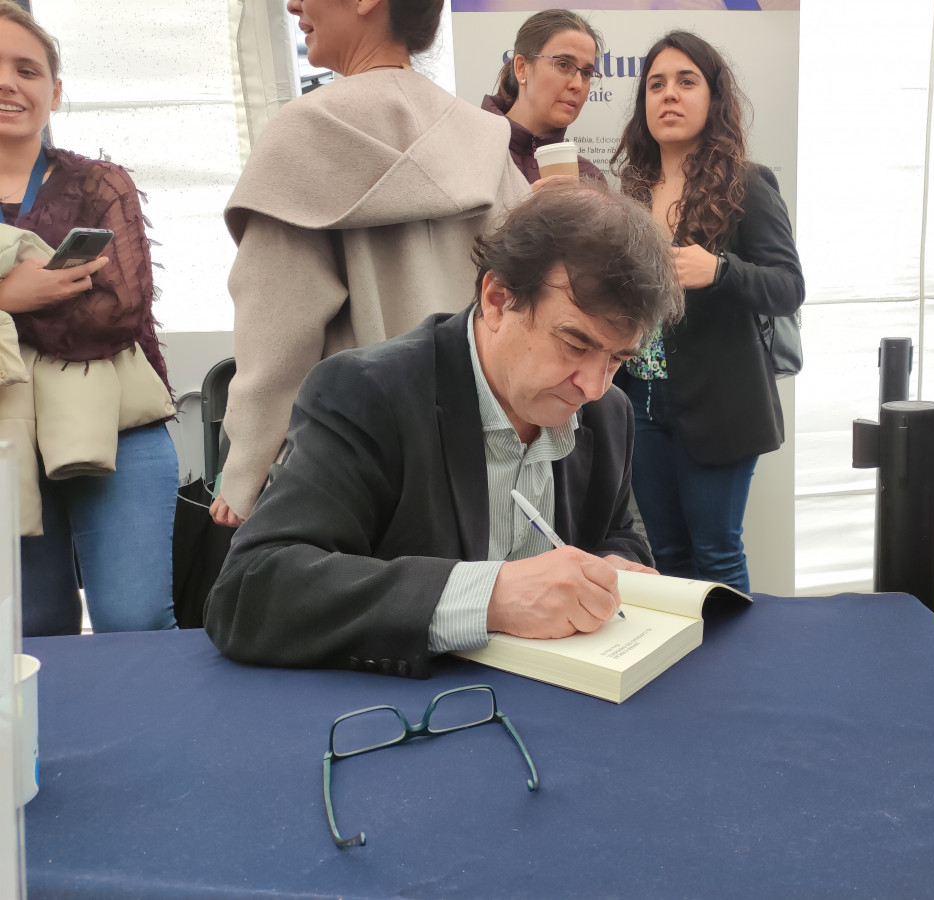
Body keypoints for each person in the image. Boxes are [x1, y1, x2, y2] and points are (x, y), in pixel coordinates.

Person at [204, 185, 684, 676]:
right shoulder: (367, 394)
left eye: (618, 359)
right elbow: (251, 591)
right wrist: (491, 597)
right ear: (497, 299)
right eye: (574, 343)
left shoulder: (609, 414)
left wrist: (614, 567)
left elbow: (619, 533)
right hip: (415, 715)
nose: (594, 387)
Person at [210, 0, 528, 528]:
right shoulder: (485, 142)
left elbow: (276, 337)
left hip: (344, 469)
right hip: (476, 463)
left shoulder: (303, 136)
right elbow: (523, 305)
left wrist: (243, 474)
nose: (292, 5)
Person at [0, 2, 178, 635]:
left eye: (27, 69)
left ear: (54, 91)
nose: (9, 83)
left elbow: (118, 312)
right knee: (31, 624)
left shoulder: (101, 183)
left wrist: (17, 306)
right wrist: (8, 297)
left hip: (116, 426)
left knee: (134, 618)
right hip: (3, 439)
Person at [609, 31, 803, 593]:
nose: (669, 95)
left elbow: (789, 287)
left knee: (716, 554)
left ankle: (731, 678)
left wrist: (719, 271)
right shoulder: (631, 190)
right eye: (656, 84)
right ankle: (684, 674)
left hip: (721, 403)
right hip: (640, 403)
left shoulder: (747, 183)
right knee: (667, 553)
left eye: (686, 81)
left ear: (713, 97)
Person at [482, 9, 606, 186]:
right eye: (563, 64)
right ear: (521, 68)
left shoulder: (589, 178)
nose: (577, 84)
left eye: (586, 73)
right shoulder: (468, 151)